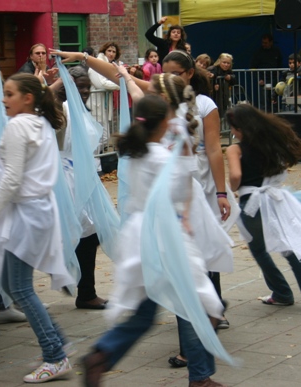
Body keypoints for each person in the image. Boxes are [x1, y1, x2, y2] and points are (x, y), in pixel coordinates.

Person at [82, 94, 226, 387]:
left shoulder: (136, 152)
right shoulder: (160, 157)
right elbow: (179, 191)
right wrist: (184, 150)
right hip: (163, 237)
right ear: (162, 124)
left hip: (140, 236)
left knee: (145, 312)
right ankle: (200, 377)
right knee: (199, 304)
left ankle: (102, 353)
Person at [0, 73, 75, 383]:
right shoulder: (40, 122)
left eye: (9, 94)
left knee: (19, 287)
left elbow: (11, 177)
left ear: (28, 98)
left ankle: (54, 355)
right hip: (35, 210)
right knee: (10, 281)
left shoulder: (20, 125)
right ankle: (56, 342)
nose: (4, 99)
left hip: (27, 213)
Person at [225, 103, 301, 310]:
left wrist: (232, 187)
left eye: (233, 128)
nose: (232, 132)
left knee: (259, 250)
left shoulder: (235, 149)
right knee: (291, 249)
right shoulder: (271, 144)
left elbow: (236, 176)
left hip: (252, 204)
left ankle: (281, 291)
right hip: (275, 201)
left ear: (240, 128)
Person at [55, 66, 111, 309]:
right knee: (75, 234)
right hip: (66, 181)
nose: (86, 91)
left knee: (90, 235)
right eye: (79, 86)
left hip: (84, 179)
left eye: (87, 86)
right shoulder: (63, 111)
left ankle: (85, 290)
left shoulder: (82, 111)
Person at [250, 34, 283, 112]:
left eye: (266, 42)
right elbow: (253, 66)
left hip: (274, 79)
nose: (264, 44)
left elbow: (280, 64)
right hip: (263, 79)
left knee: (274, 100)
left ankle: (275, 116)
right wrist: (258, 79)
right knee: (263, 101)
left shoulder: (276, 51)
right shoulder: (258, 52)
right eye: (263, 42)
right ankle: (263, 118)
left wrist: (279, 75)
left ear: (271, 42)